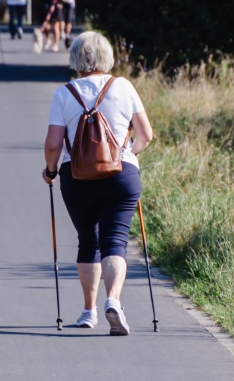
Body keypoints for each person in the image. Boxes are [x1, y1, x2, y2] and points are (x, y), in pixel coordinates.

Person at [41, 31, 154, 335]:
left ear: (75, 58)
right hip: (121, 175)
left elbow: (53, 143)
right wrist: (128, 155)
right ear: (108, 56)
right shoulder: (123, 86)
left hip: (76, 175)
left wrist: (50, 170)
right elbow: (145, 135)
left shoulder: (64, 93)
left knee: (88, 240)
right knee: (115, 240)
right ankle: (113, 300)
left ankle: (88, 311)